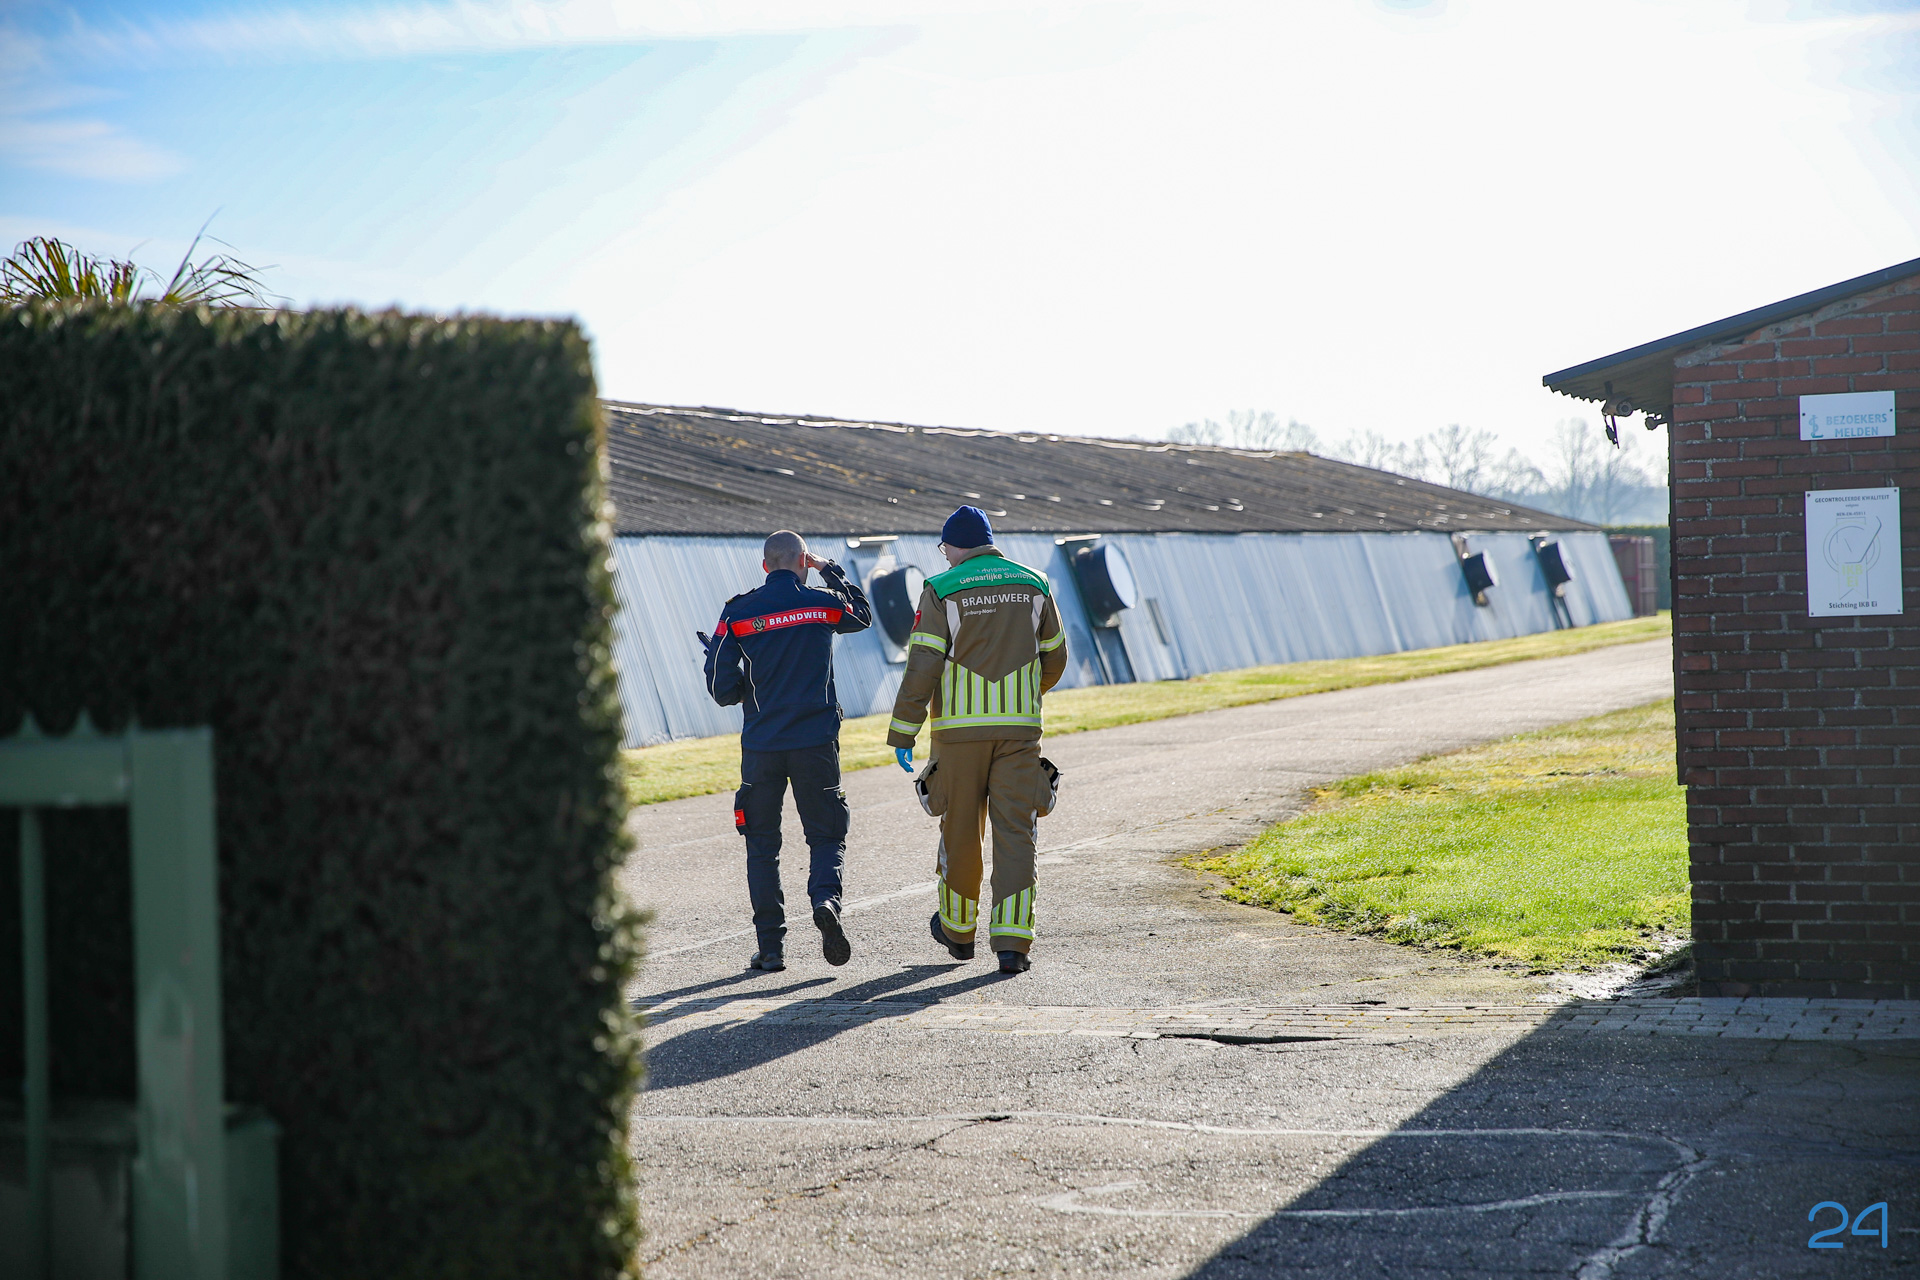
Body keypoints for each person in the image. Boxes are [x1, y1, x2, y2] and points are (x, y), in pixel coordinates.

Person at [886, 506, 1068, 974]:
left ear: (953, 545)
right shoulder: (1036, 583)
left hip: (958, 738)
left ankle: (957, 932)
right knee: (1016, 833)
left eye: (943, 547)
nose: (943, 555)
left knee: (961, 831)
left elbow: (923, 665)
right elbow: (1055, 657)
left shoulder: (941, 589)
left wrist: (904, 730)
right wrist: (1024, 695)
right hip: (1019, 734)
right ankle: (1012, 943)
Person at [702, 530, 873, 972]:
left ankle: (771, 948)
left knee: (762, 845)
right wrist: (828, 568)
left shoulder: (738, 612)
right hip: (815, 742)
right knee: (826, 834)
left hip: (762, 746)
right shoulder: (822, 602)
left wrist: (745, 689)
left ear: (764, 566)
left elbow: (721, 689)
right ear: (802, 561)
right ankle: (826, 902)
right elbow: (862, 614)